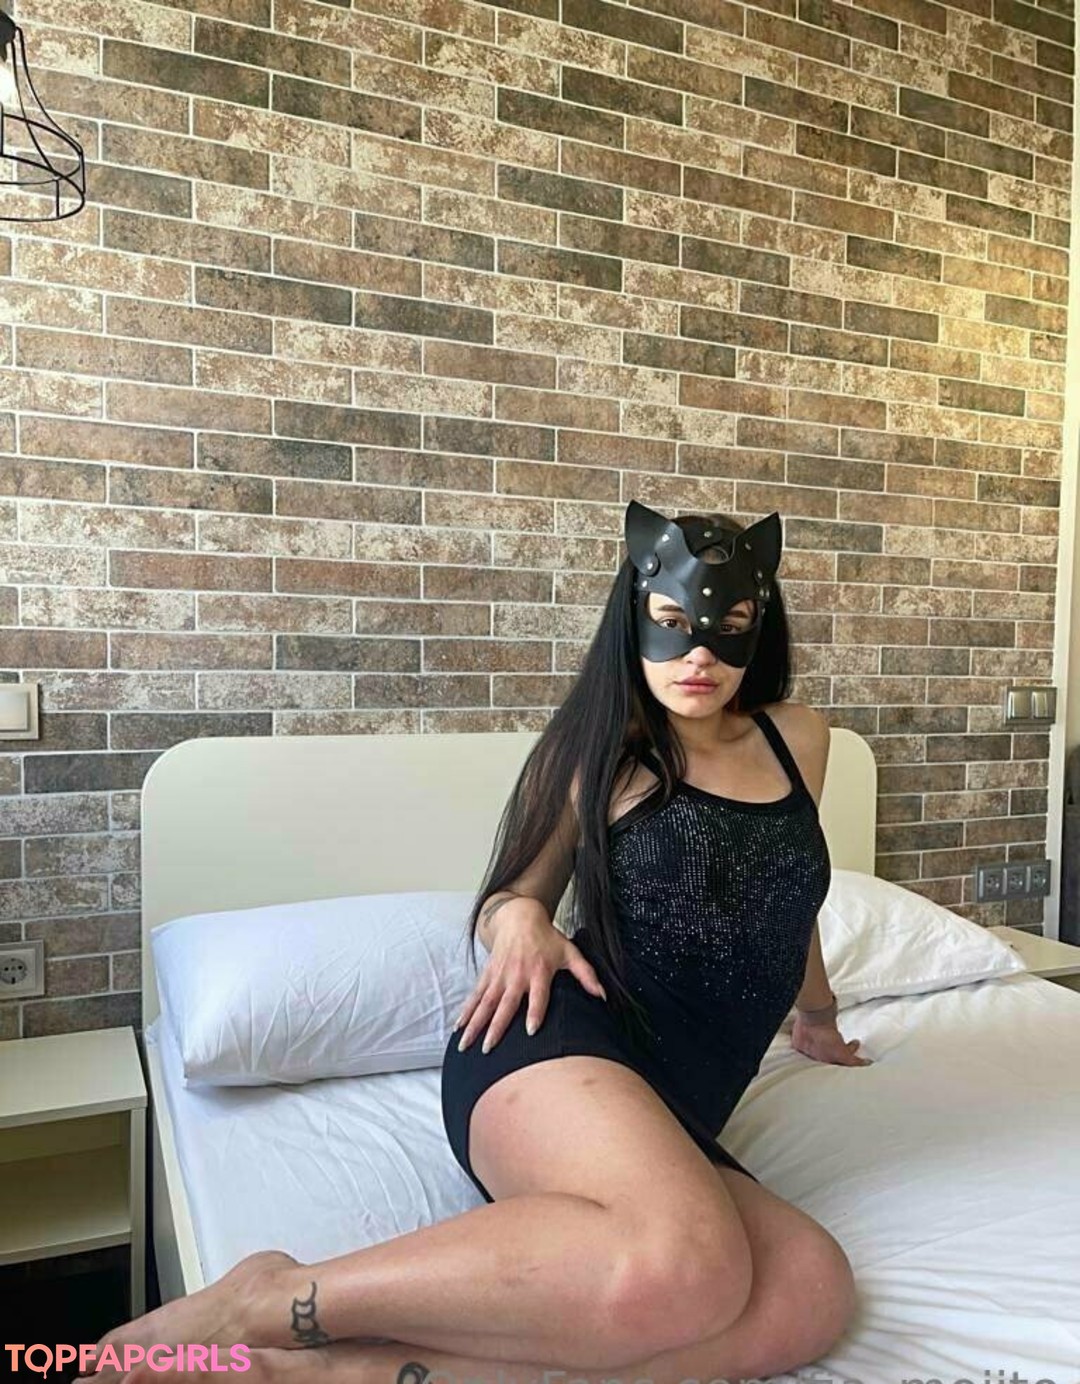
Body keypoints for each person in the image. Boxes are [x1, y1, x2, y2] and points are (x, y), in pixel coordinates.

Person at [76, 502, 871, 1384]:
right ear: (634, 616)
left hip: (680, 1099)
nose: (700, 657)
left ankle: (336, 1374)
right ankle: (270, 1296)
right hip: (562, 1049)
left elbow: (785, 893)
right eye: (674, 625)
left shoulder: (798, 738)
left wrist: (816, 1015)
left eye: (727, 627)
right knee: (686, 1268)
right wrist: (521, 918)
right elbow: (508, 897)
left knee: (810, 1291)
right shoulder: (597, 752)